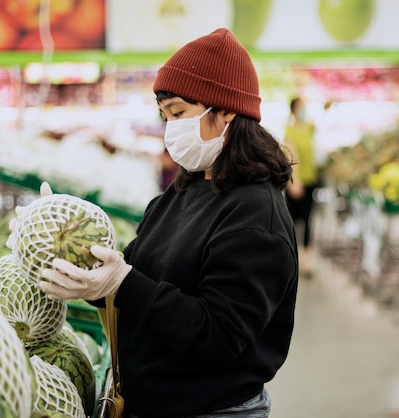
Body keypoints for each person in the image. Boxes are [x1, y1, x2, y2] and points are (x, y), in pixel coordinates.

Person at [36, 28, 298, 418]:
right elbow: (131, 276)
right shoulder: (185, 189)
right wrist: (66, 251)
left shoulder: (255, 214)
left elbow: (219, 336)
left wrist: (122, 283)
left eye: (178, 114)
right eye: (164, 116)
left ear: (225, 110)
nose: (169, 129)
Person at [284, 96, 320, 276]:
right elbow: (290, 158)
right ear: (294, 111)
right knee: (292, 220)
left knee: (307, 220)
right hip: (297, 184)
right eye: (301, 108)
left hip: (310, 181)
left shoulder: (308, 129)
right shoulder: (290, 131)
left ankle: (306, 259)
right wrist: (294, 183)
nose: (304, 111)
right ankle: (290, 258)